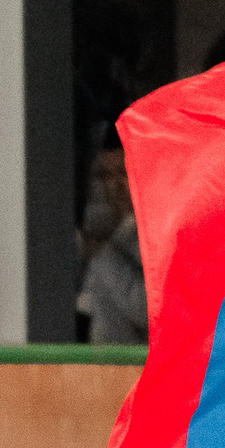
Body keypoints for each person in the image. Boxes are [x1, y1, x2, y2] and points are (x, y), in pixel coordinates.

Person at [78, 136, 148, 346]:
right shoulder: (100, 229)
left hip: (137, 366)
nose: (114, 185)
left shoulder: (162, 232)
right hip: (99, 367)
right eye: (106, 175)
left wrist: (104, 256)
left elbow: (146, 310)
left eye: (123, 173)